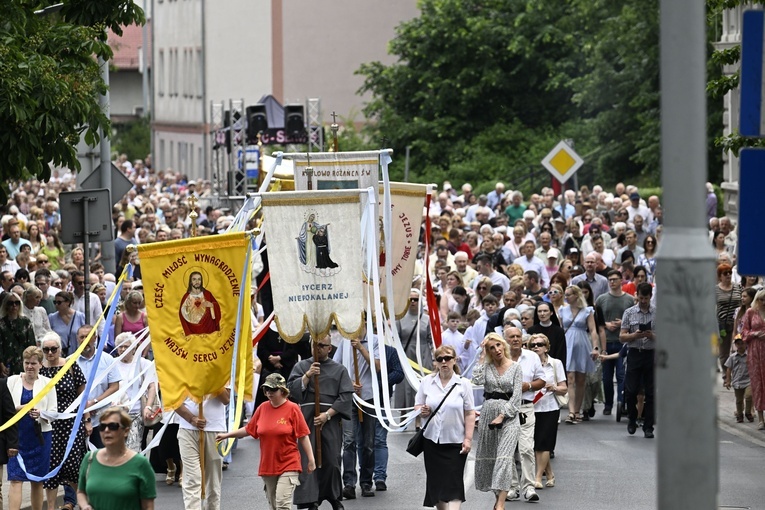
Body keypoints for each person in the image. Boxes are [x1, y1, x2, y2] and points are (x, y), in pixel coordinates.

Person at [215, 373, 316, 510]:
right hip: (268, 465)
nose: (269, 393)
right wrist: (227, 435)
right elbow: (249, 429)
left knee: (282, 504)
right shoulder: (262, 408)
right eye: (266, 389)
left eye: (273, 389)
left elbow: (303, 436)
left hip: (289, 462)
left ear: (282, 390)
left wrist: (311, 459)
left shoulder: (293, 409)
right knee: (273, 505)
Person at [287, 334, 354, 510]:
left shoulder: (339, 370)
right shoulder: (301, 366)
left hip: (330, 420)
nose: (317, 349)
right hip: (307, 419)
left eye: (321, 346)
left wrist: (327, 415)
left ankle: (333, 496)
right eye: (314, 345)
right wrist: (307, 376)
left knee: (332, 459)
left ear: (329, 348)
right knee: (309, 459)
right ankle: (310, 499)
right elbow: (291, 390)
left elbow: (346, 396)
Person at [415, 345, 475, 510]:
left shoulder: (463, 384)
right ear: (435, 362)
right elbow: (418, 405)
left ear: (454, 360)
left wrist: (468, 439)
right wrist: (422, 410)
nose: (444, 362)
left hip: (455, 441)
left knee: (454, 484)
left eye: (447, 358)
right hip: (432, 441)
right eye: (439, 359)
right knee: (436, 484)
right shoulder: (427, 382)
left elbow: (470, 413)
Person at [472, 333, 523, 510]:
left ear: (504, 346)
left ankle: (500, 505)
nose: (496, 350)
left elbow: (517, 397)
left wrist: (503, 415)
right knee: (492, 458)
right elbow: (476, 380)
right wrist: (480, 354)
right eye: (491, 348)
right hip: (488, 414)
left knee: (504, 457)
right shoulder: (486, 366)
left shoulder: (516, 368)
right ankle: (497, 499)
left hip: (509, 416)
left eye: (498, 345)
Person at [39, 332, 88, 510]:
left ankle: (83, 505)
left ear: (60, 349)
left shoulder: (70, 365)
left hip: (71, 424)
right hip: (48, 425)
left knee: (73, 466)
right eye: (46, 349)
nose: (50, 353)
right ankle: (51, 507)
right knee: (50, 468)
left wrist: (87, 420)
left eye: (54, 349)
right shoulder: (40, 369)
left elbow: (83, 395)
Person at [333, 324, 380, 499]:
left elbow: (376, 366)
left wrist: (360, 347)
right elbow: (336, 367)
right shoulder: (345, 342)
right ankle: (349, 484)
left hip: (368, 397)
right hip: (349, 397)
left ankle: (367, 482)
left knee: (368, 443)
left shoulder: (375, 340)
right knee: (349, 441)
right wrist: (348, 384)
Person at [76, 407, 156, 510]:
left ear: (126, 431)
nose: (106, 430)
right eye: (102, 427)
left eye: (113, 426)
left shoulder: (140, 463)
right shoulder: (90, 459)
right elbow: (81, 492)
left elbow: (148, 506)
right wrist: (85, 506)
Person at [7, 346, 57, 510]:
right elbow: (5, 409)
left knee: (37, 480)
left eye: (33, 363)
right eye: (27, 363)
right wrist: (19, 408)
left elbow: (54, 413)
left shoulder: (48, 383)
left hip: (40, 438)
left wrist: (41, 414)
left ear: (40, 364)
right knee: (15, 478)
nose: (29, 367)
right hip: (16, 437)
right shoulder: (12, 381)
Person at [504, 326, 545, 502]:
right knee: (508, 449)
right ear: (505, 339)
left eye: (518, 336)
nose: (515, 339)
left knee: (526, 447)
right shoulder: (500, 358)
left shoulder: (532, 357)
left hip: (525, 406)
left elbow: (542, 381)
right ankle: (513, 487)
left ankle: (528, 487)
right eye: (511, 336)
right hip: (504, 408)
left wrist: (527, 386)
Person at [175, 386, 230, 510]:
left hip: (215, 431)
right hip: (187, 429)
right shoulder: (182, 368)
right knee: (192, 479)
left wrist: (211, 378)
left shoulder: (221, 369)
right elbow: (173, 400)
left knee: (213, 481)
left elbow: (226, 399)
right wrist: (191, 418)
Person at [528, 333, 567, 489]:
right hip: (531, 407)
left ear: (546, 347)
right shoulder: (528, 363)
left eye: (540, 344)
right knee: (535, 444)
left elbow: (564, 387)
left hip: (550, 407)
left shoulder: (555, 363)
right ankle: (549, 474)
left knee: (544, 444)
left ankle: (537, 477)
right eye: (533, 345)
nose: (537, 347)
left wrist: (554, 387)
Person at [595, 269, 635, 416]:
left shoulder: (629, 299)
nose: (612, 282)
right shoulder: (601, 299)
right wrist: (606, 324)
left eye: (615, 279)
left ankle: (621, 403)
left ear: (620, 281)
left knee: (621, 374)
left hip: (623, 341)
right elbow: (596, 320)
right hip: (606, 341)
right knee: (606, 377)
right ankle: (608, 404)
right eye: (610, 280)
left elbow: (634, 320)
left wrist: (621, 324)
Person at [74, 325, 121, 448]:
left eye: (88, 337)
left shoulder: (107, 359)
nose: (85, 340)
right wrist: (85, 409)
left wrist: (95, 402)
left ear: (95, 338)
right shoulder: (71, 362)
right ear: (77, 339)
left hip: (103, 418)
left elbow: (115, 386)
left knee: (104, 456)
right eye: (82, 337)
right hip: (79, 419)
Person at [620, 283, 657, 438]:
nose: (643, 301)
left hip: (651, 354)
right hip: (635, 352)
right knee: (631, 390)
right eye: (641, 298)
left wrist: (651, 335)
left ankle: (648, 426)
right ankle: (632, 418)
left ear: (650, 297)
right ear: (637, 295)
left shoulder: (657, 313)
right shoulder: (629, 313)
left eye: (646, 298)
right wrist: (635, 335)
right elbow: (622, 336)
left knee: (651, 392)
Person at [559, 285, 599, 423]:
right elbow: (560, 329)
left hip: (582, 343)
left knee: (581, 379)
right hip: (567, 343)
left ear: (576, 295)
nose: (566, 297)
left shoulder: (587, 310)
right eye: (565, 294)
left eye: (569, 294)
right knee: (570, 378)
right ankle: (571, 411)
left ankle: (577, 410)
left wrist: (595, 347)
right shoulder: (562, 310)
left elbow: (593, 330)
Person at [113, 333, 158, 451]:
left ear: (134, 348)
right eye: (120, 346)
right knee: (116, 448)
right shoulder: (111, 364)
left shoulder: (143, 363)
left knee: (133, 448)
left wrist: (148, 407)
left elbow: (152, 386)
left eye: (126, 346)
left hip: (135, 413)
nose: (123, 349)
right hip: (115, 414)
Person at [741, 288, 765, 430]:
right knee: (757, 383)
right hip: (755, 351)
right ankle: (761, 418)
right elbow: (743, 332)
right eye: (761, 299)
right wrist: (755, 334)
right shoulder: (751, 312)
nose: (763, 302)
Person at [0, 293, 37, 377]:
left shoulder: (25, 322)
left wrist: (32, 363)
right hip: (7, 363)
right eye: (11, 303)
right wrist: (1, 365)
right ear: (6, 305)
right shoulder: (1, 324)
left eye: (17, 303)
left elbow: (31, 344)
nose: (14, 305)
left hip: (24, 362)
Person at [717, 263, 742, 372]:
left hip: (738, 322)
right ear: (720, 276)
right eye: (725, 273)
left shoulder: (738, 287)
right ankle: (725, 374)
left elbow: (742, 303)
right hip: (723, 324)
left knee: (738, 349)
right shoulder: (715, 290)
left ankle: (736, 373)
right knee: (724, 352)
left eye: (730, 272)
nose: (728, 275)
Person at [179, 271, 221, 335]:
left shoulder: (207, 294)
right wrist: (187, 307)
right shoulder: (186, 297)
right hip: (192, 329)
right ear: (190, 281)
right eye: (194, 279)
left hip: (208, 327)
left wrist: (212, 305)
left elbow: (216, 307)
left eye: (199, 279)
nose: (197, 282)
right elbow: (182, 315)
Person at [526, 301, 566, 368]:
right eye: (539, 311)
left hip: (553, 366)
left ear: (551, 313)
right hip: (535, 365)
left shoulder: (559, 331)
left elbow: (561, 353)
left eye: (545, 311)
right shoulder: (531, 330)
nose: (542, 314)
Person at [47, 291, 86, 357]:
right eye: (55, 302)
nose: (56, 305)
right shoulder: (51, 318)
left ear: (67, 302)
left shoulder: (80, 316)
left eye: (59, 302)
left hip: (78, 355)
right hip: (59, 356)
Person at [724, 338, 753, 423]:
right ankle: (740, 415)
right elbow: (729, 369)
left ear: (746, 344)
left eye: (742, 343)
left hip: (748, 380)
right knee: (739, 400)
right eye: (738, 344)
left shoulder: (749, 355)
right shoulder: (732, 357)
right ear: (735, 345)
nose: (740, 346)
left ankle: (748, 412)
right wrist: (728, 381)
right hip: (737, 381)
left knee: (749, 396)